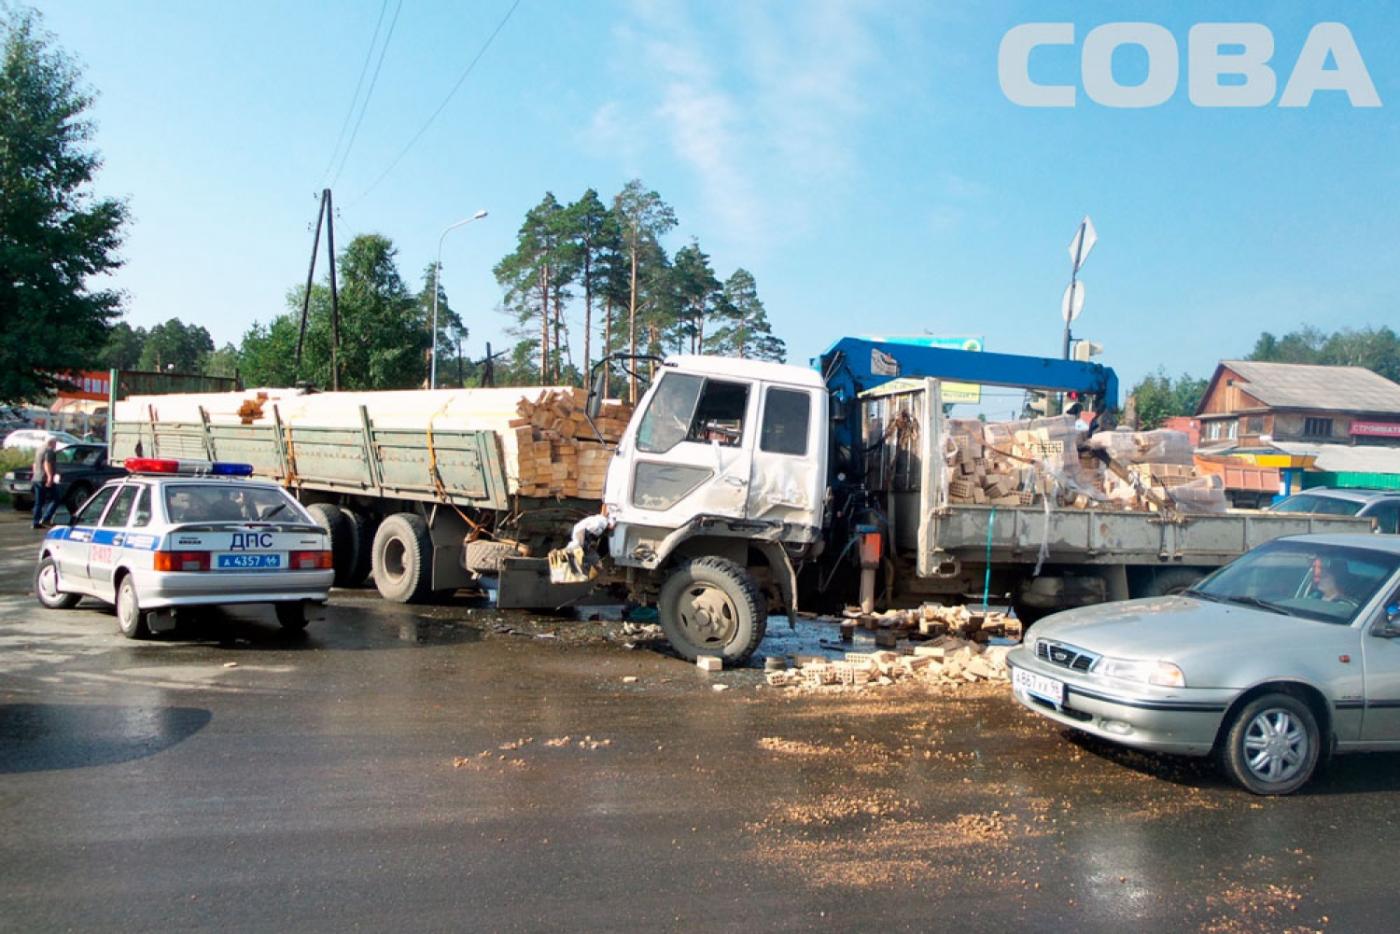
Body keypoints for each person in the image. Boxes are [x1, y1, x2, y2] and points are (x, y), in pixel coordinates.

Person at [31, 438, 60, 528]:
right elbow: (47, 464)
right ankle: (46, 519)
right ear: (51, 442)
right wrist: (50, 477)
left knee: (38, 502)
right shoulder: (49, 451)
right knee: (56, 499)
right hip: (44, 478)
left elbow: (34, 464)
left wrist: (34, 474)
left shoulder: (39, 450)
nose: (56, 445)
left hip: (36, 478)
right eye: (55, 443)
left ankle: (36, 522)